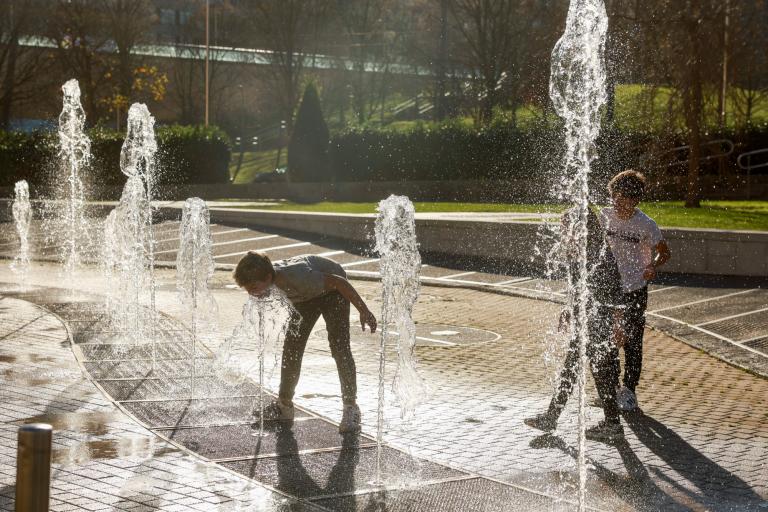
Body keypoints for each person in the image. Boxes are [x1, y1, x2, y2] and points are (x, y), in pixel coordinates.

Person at [233, 251, 377, 433]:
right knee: (292, 348)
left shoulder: (298, 277)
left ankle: (351, 408)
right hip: (306, 297)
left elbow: (340, 283)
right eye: (247, 289)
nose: (252, 294)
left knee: (339, 347)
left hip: (334, 292)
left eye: (254, 287)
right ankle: (284, 406)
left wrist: (364, 310)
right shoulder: (268, 279)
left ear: (268, 277)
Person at [525, 207, 627, 442]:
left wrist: (618, 324)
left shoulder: (598, 252)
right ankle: (553, 417)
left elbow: (615, 289)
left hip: (599, 320)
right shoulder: (576, 252)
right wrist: (569, 309)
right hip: (586, 320)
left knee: (598, 371)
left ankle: (610, 424)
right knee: (577, 369)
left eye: (566, 226)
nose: (563, 231)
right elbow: (579, 288)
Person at [599, 170, 671, 412]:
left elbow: (664, 252)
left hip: (635, 288)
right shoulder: (604, 216)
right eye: (616, 197)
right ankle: (611, 388)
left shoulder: (646, 224)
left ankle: (629, 390)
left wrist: (653, 264)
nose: (620, 204)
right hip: (609, 288)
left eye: (626, 199)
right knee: (607, 339)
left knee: (632, 342)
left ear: (636, 200)